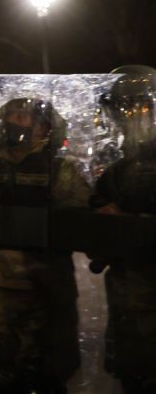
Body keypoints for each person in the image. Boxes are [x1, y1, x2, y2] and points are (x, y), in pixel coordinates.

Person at [0, 97, 88, 392]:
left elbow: (76, 218)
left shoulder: (59, 168)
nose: (13, 123)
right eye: (10, 116)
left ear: (44, 127)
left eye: (22, 117)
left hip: (43, 280)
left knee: (45, 368)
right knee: (0, 367)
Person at [90, 65, 156, 392]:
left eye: (141, 106)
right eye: (124, 107)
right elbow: (94, 219)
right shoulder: (116, 168)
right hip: (127, 300)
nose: (132, 116)